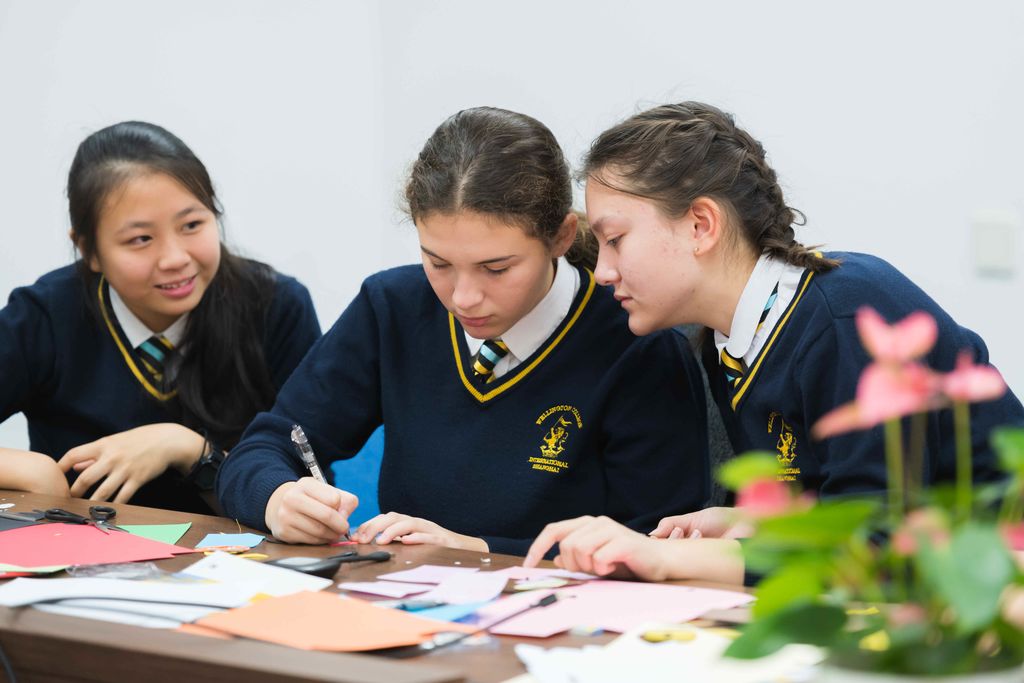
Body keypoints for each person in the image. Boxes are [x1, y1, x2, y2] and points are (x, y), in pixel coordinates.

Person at [525, 101, 1024, 580]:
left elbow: (876, 547)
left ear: (701, 225)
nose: (603, 271)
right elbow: (828, 504)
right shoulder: (725, 342)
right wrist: (750, 523)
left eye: (615, 240)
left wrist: (669, 559)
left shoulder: (845, 314)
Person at [218, 107, 711, 555]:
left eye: (496, 269)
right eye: (438, 263)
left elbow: (655, 544)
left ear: (560, 237)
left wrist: (475, 549)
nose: (463, 298)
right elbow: (263, 447)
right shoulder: (392, 307)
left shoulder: (638, 346)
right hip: (399, 600)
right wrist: (276, 497)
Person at [0, 121, 320, 513]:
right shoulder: (46, 315)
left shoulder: (276, 307)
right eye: (141, 239)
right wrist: (33, 471)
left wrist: (189, 450)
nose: (175, 259)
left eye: (192, 225)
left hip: (242, 551)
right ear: (88, 250)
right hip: (81, 549)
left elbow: (311, 484)